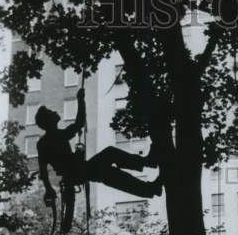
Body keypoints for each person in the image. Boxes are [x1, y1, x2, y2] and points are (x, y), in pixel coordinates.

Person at [35, 86, 163, 207]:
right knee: (110, 160)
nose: (55, 112)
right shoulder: (55, 137)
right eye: (51, 112)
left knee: (110, 172)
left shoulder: (49, 140)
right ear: (48, 120)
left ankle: (150, 186)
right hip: (77, 172)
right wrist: (80, 100)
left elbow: (43, 170)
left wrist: (49, 188)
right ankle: (148, 167)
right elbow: (79, 123)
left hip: (78, 172)